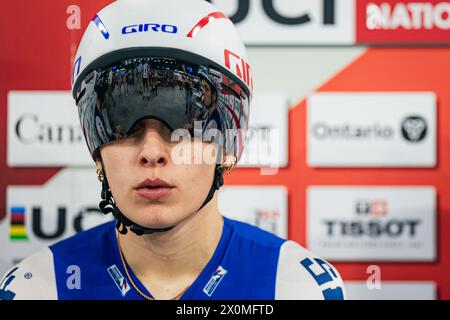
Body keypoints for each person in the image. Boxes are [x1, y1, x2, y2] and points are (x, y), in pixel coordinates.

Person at [0, 0, 345, 300]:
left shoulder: (295, 286)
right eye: (122, 124)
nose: (152, 152)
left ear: (228, 143)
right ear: (97, 151)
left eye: (183, 124)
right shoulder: (39, 288)